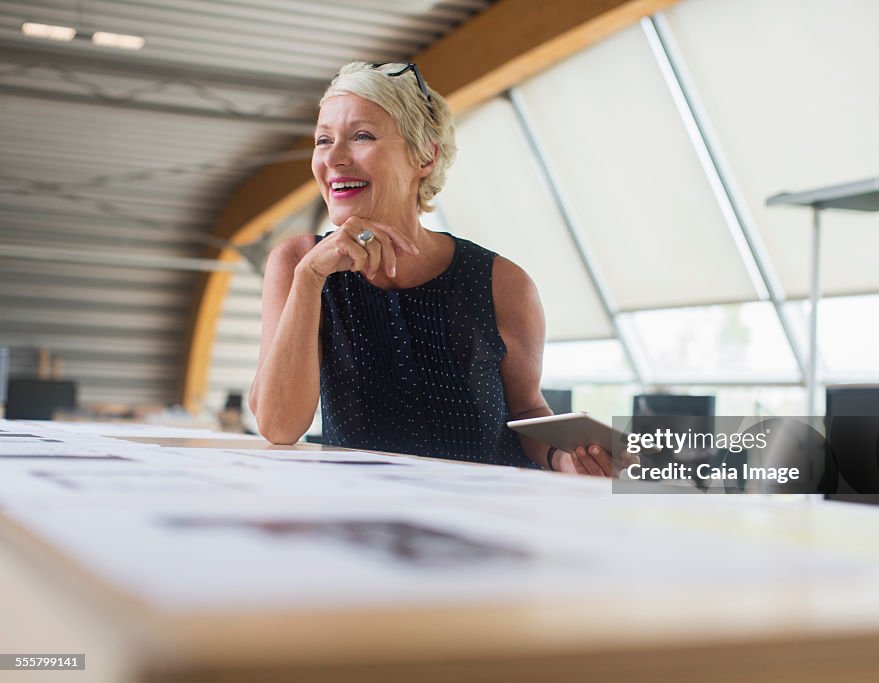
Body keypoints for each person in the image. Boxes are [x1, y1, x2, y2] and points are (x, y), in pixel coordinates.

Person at [248, 61, 613, 476]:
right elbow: (278, 427)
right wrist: (310, 279)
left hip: (487, 516)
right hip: (359, 522)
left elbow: (526, 409)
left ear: (425, 156)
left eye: (361, 136)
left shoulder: (502, 282)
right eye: (323, 140)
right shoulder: (298, 264)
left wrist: (563, 458)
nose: (334, 157)